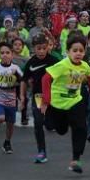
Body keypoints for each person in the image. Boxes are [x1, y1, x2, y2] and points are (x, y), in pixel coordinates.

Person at [40, 34, 90, 174]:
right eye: (75, 50)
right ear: (68, 52)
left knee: (81, 128)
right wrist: (46, 100)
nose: (78, 53)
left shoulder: (84, 66)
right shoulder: (62, 65)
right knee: (61, 130)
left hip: (75, 101)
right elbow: (45, 79)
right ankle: (51, 120)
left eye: (81, 51)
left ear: (84, 52)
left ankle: (76, 159)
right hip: (57, 103)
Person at [20, 35, 58, 164]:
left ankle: (50, 122)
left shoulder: (54, 61)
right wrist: (22, 97)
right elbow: (24, 81)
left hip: (53, 96)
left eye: (44, 48)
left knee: (51, 124)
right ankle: (41, 151)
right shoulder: (31, 63)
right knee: (37, 122)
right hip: (38, 97)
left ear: (48, 47)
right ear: (34, 49)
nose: (41, 51)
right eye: (38, 48)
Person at [0, 42, 23, 155]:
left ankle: (7, 142)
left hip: (11, 99)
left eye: (8, 53)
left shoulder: (15, 68)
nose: (5, 55)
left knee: (10, 124)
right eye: (2, 53)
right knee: (1, 118)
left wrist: (21, 96)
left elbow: (22, 81)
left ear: (12, 55)